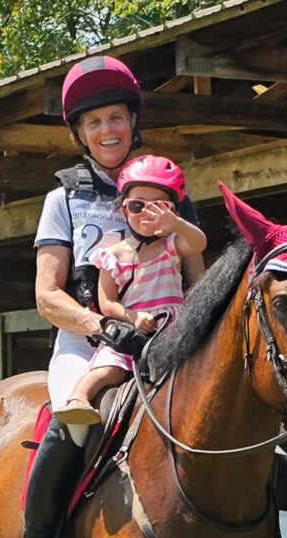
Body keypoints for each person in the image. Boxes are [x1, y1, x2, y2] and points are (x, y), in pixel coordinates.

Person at [11, 56, 204, 538]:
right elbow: (47, 296)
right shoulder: (62, 200)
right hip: (89, 338)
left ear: (132, 120)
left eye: (115, 117)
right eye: (93, 123)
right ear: (79, 133)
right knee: (76, 421)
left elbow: (197, 279)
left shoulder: (170, 189)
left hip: (168, 333)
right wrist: (104, 326)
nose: (106, 131)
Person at [52, 155, 206, 425]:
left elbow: (198, 242)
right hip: (132, 331)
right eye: (137, 206)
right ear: (124, 211)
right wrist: (133, 318)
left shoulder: (173, 244)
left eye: (160, 207)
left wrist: (176, 225)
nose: (147, 214)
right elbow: (107, 303)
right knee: (110, 367)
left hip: (173, 328)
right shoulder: (112, 255)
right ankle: (78, 398)